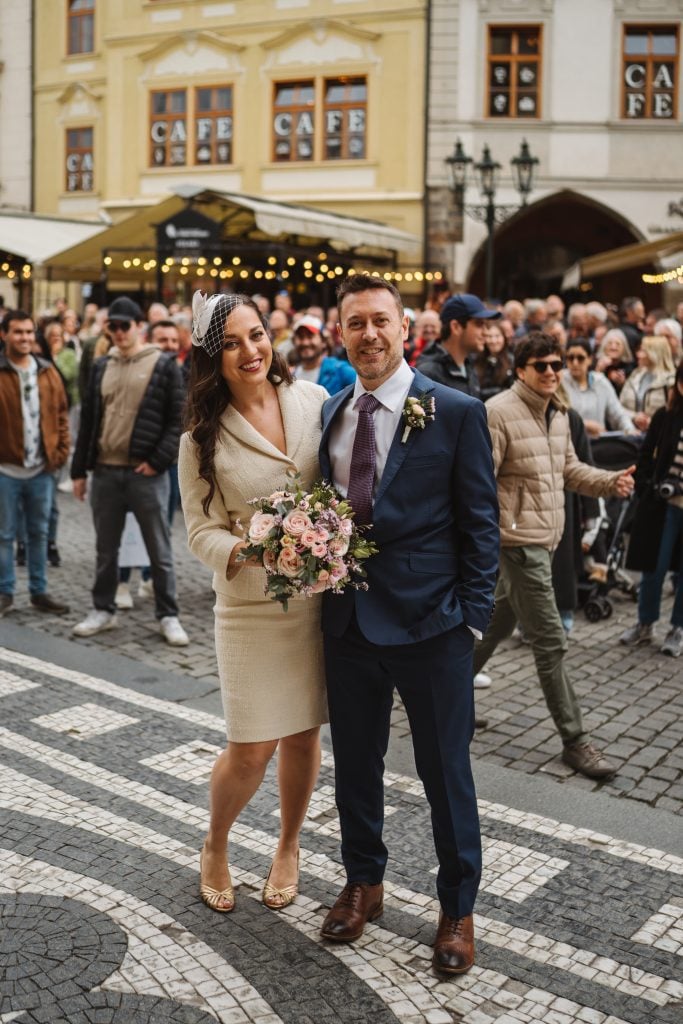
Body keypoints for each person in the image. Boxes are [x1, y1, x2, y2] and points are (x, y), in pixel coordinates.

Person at [318, 274, 499, 975]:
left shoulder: (453, 410)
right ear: (342, 334)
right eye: (355, 323)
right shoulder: (332, 411)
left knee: (444, 773)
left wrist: (471, 621)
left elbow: (480, 524)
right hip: (348, 623)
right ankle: (364, 881)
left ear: (405, 329)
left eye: (379, 321)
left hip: (433, 628)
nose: (368, 334)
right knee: (355, 768)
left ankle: (457, 907)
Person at [178, 292, 328, 915]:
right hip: (249, 609)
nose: (252, 350)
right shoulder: (200, 440)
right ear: (214, 359)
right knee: (250, 748)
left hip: (318, 604)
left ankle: (289, 844)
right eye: (234, 342)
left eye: (258, 334)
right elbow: (198, 531)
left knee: (301, 735)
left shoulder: (315, 401)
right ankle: (216, 841)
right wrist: (249, 549)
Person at [472, 332, 636, 780]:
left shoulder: (558, 411)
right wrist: (491, 539)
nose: (551, 372)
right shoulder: (499, 412)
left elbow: (567, 469)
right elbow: (479, 484)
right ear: (520, 368)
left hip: (545, 538)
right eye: (541, 365)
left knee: (496, 625)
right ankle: (575, 739)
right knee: (551, 640)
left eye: (556, 364)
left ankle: (440, 700)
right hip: (517, 543)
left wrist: (610, 481)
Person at [71, 296, 189, 646]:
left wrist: (157, 460)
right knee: (106, 549)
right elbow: (90, 421)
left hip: (146, 474)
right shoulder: (100, 366)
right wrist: (79, 471)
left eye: (126, 325)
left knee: (160, 549)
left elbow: (178, 419)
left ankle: (168, 614)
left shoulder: (164, 365)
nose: (119, 332)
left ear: (140, 326)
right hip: (106, 471)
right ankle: (103, 609)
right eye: (114, 326)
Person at [0, 309, 70, 617]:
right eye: (18, 332)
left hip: (42, 469)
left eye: (29, 332)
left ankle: (39, 591)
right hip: (5, 471)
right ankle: (5, 591)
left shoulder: (47, 371)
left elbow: (61, 415)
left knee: (39, 533)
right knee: (4, 534)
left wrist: (59, 454)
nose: (25, 338)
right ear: (4, 335)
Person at [620, 361, 683, 657]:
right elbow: (645, 454)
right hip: (661, 505)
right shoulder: (665, 416)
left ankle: (678, 629)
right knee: (653, 567)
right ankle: (645, 624)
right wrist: (646, 486)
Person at [417, 292, 501, 397]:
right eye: (479, 324)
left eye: (485, 325)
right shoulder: (429, 374)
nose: (486, 332)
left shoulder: (467, 363)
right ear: (456, 327)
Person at [561, 339, 635, 437]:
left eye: (580, 358)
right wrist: (584, 424)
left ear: (590, 359)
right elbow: (556, 418)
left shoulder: (600, 381)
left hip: (598, 444)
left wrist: (630, 430)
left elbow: (617, 413)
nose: (575, 363)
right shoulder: (559, 382)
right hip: (569, 443)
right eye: (570, 358)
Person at [620, 334, 676, 432]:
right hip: (632, 432)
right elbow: (618, 407)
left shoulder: (671, 381)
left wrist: (653, 421)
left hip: (659, 434)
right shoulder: (635, 375)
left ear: (654, 353)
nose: (638, 354)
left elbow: (676, 412)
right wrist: (634, 416)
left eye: (642, 351)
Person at [291, 314, 356, 394]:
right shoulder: (290, 376)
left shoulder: (340, 371)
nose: (305, 343)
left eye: (310, 336)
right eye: (301, 337)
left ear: (323, 342)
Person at [473, 320, 514, 401]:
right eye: (489, 336)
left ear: (504, 338)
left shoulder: (511, 361)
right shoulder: (476, 360)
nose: (493, 341)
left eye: (497, 336)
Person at [594, 328, 634, 396]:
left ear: (624, 348)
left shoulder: (630, 367)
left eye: (618, 344)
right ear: (604, 347)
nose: (613, 347)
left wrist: (623, 383)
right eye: (609, 343)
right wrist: (599, 370)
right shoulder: (595, 363)